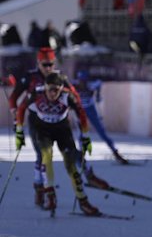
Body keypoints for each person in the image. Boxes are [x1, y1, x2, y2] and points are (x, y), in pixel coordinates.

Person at [15, 71, 102, 216]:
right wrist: (19, 132)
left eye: (57, 89)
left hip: (62, 131)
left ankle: (83, 202)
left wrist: (85, 137)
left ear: (62, 88)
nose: (53, 93)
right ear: (45, 87)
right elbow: (21, 109)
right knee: (46, 157)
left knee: (71, 166)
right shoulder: (37, 94)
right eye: (50, 89)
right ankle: (50, 196)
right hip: (42, 130)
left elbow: (81, 114)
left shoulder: (68, 96)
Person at [8, 48, 81, 208]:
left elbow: (74, 95)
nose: (48, 68)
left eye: (51, 64)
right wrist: (15, 115)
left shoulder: (60, 78)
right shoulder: (30, 77)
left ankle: (78, 179)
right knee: (42, 155)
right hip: (37, 121)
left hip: (58, 122)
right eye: (44, 64)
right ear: (38, 63)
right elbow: (14, 98)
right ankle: (40, 188)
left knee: (68, 153)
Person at [70, 68, 130, 167]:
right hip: (80, 111)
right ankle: (81, 155)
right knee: (82, 133)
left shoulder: (91, 85)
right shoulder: (74, 85)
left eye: (84, 81)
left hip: (90, 109)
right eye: (81, 81)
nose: (82, 83)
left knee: (101, 132)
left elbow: (99, 83)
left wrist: (98, 94)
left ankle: (115, 152)